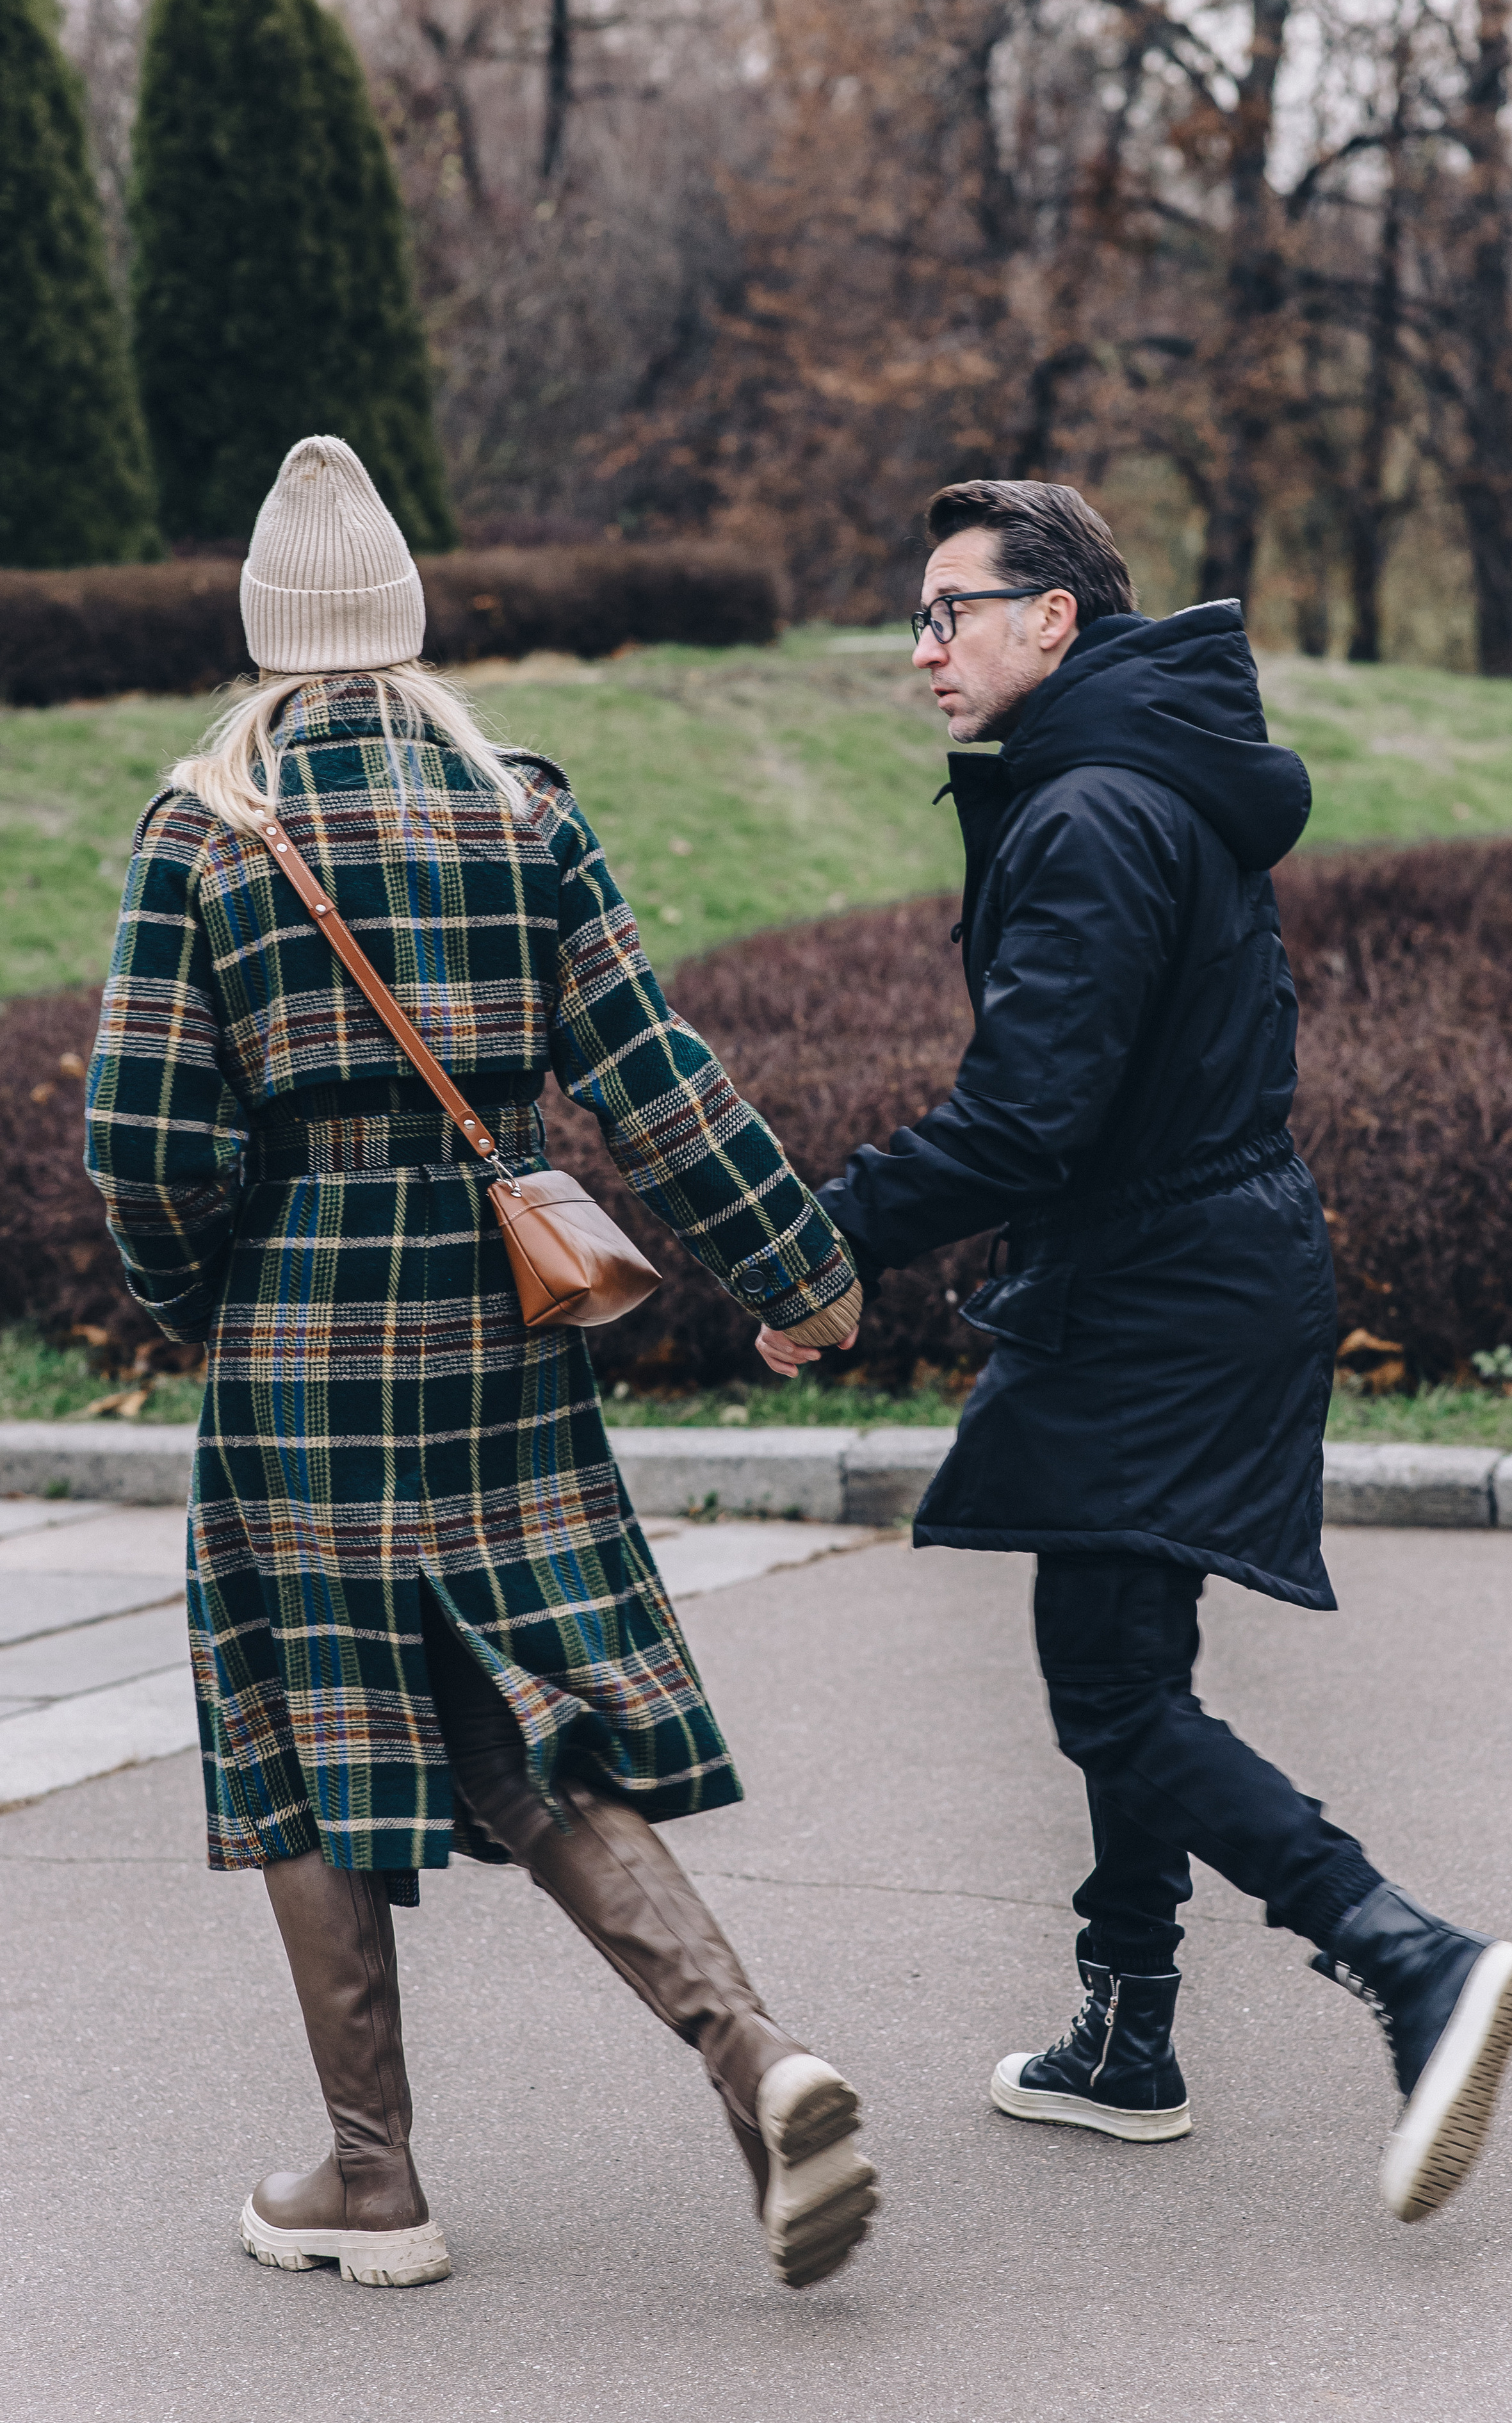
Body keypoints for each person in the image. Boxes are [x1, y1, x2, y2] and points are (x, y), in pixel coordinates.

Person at [86, 435, 876, 2293]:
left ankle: (375, 2180)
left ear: (266, 633)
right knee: (523, 1714)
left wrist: (198, 1298)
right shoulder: (517, 807)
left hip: (297, 1342)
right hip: (495, 1338)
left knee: (309, 1714)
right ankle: (755, 2058)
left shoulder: (204, 828)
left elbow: (141, 1140)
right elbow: (655, 1071)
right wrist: (805, 1273)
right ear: (409, 620)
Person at [757, 478, 1512, 2223]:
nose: (921, 651)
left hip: (1163, 1288)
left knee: (1107, 1687)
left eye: (948, 611)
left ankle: (1408, 1957)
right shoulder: (1136, 779)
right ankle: (1126, 2037)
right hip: (1202, 1264)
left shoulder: (1094, 810)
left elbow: (1027, 1119)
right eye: (917, 615)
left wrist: (818, 1235)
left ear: (1057, 620)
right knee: (1128, 1662)